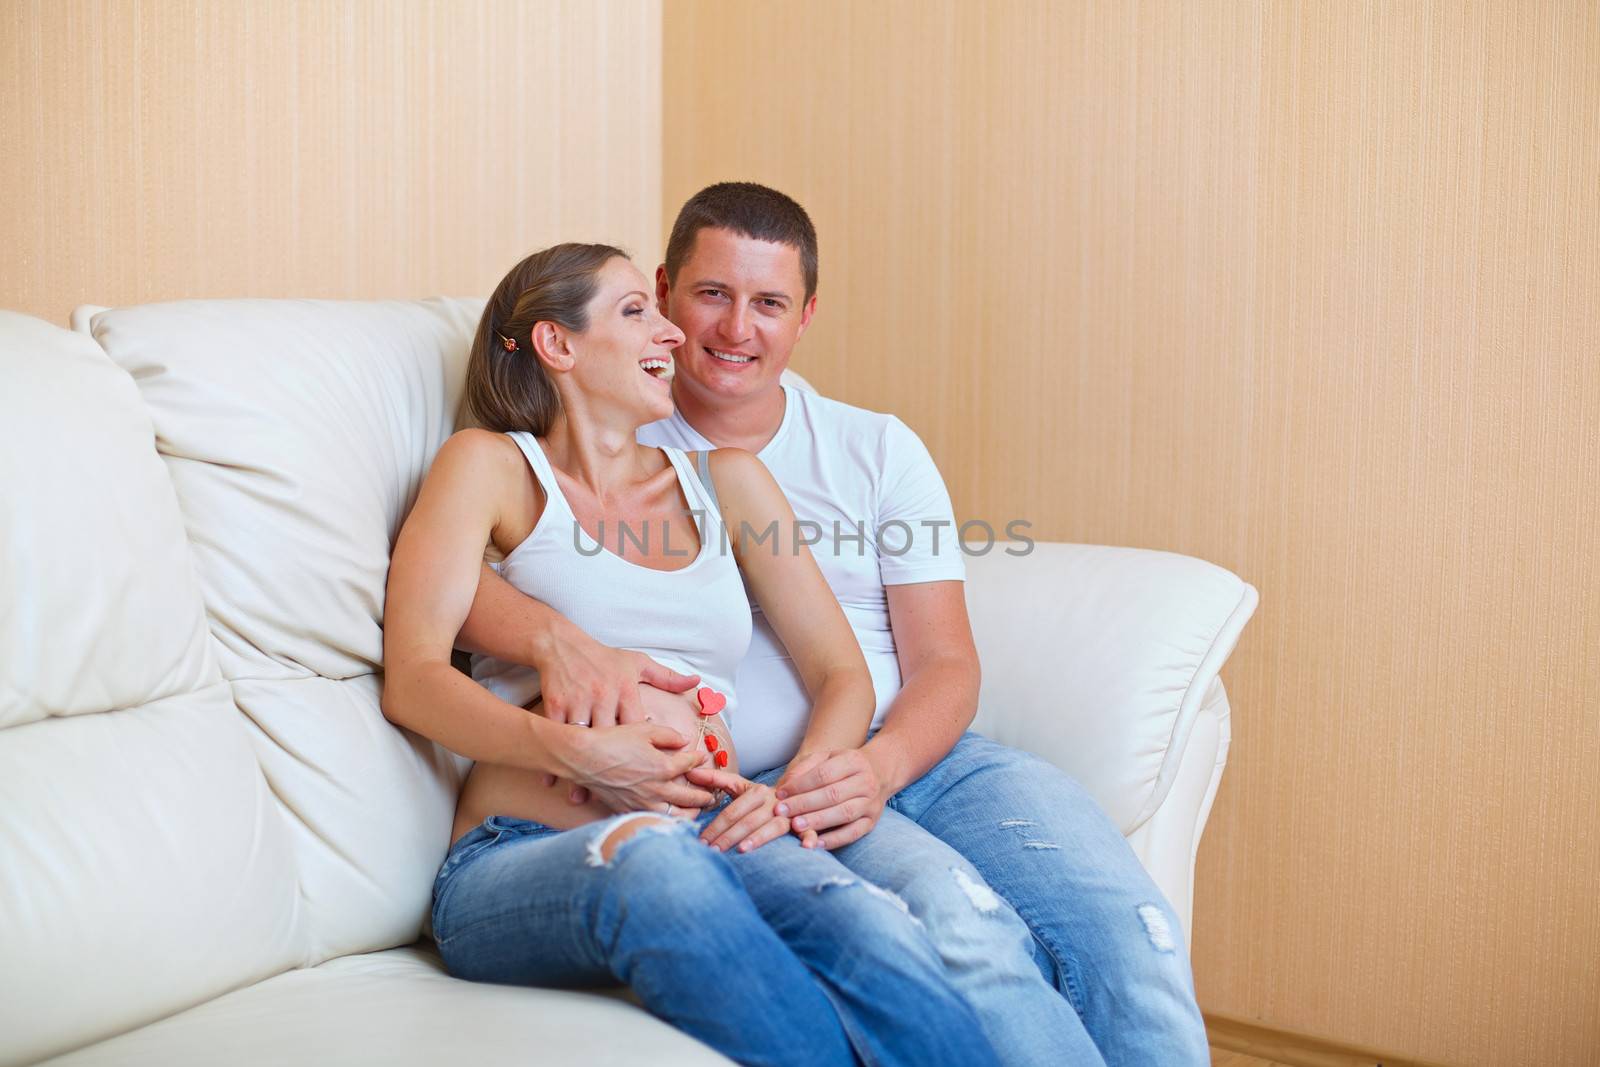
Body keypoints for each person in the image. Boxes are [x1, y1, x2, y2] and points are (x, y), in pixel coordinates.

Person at [459, 185, 1213, 1066]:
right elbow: (465, 581)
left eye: (770, 303)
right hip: (763, 779)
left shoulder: (875, 448)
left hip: (912, 756)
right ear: (664, 293)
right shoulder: (592, 428)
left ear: (805, 315)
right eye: (711, 295)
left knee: (1134, 926)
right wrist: (556, 639)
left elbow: (946, 662)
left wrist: (873, 765)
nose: (737, 328)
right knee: (962, 923)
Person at [382, 242, 999, 1067]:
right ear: (556, 345)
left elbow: (840, 672)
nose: (671, 332)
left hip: (715, 825)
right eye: (636, 310)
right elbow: (414, 678)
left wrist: (794, 794)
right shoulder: (491, 468)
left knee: (873, 923)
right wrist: (573, 748)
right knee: (656, 867)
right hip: (523, 848)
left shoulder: (728, 482)